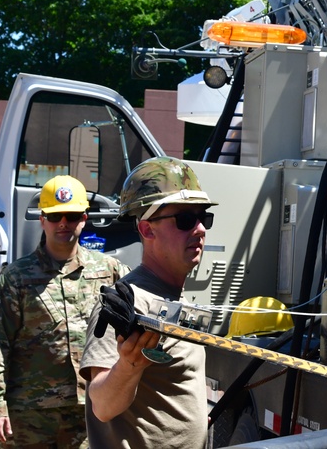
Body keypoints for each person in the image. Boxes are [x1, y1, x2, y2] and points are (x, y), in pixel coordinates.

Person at [0, 175, 129, 448]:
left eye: (71, 216)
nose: (63, 223)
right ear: (42, 219)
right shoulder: (15, 277)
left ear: (83, 218)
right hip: (30, 414)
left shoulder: (110, 271)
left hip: (90, 410)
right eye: (55, 216)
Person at [79, 156, 216, 449]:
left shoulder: (177, 299)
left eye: (203, 218)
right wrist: (129, 365)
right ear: (146, 230)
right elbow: (101, 405)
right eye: (185, 220)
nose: (201, 230)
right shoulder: (129, 304)